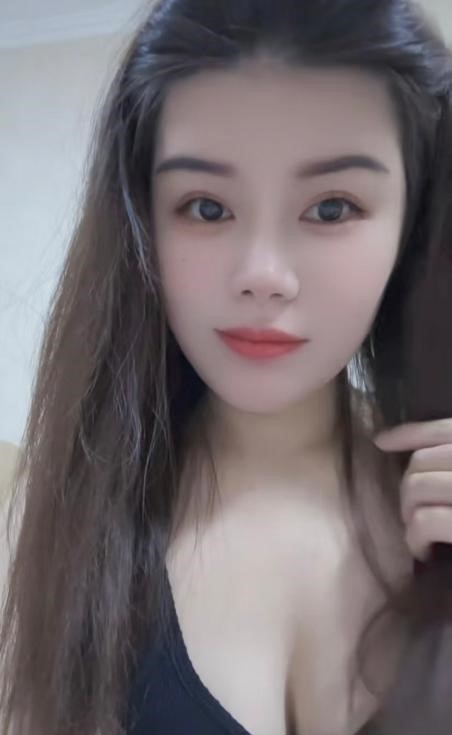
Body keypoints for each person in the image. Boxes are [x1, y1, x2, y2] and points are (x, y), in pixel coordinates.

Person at [1, 0, 452, 733]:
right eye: (207, 208)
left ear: (414, 220)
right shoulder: (67, 521)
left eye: (332, 208)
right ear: (142, 221)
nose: (262, 275)